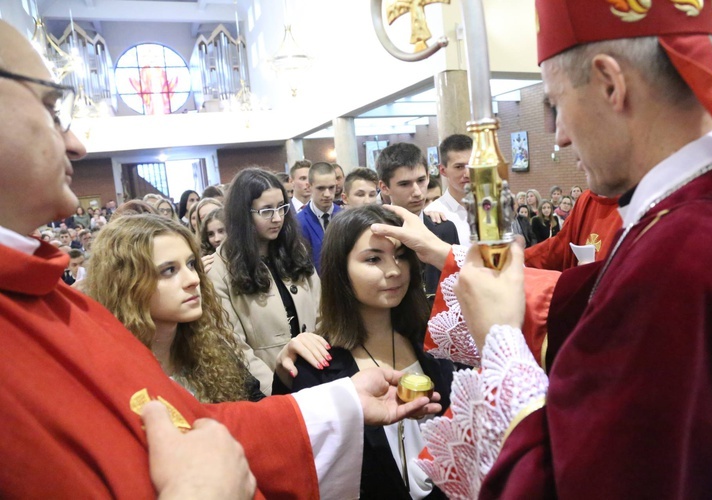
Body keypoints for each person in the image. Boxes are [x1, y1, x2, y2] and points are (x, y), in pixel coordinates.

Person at [0, 20, 441, 499]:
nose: (76, 144)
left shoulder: (53, 300)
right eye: (50, 107)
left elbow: (197, 424)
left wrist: (340, 403)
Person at [390, 1, 712, 497]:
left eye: (556, 104)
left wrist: (501, 338)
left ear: (610, 83)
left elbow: (583, 482)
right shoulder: (710, 211)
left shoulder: (684, 254)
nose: (557, 137)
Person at [292, 205, 453, 499]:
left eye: (401, 256)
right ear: (340, 269)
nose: (393, 271)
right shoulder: (319, 365)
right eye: (373, 259)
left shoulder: (431, 337)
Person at [86, 214, 265, 403]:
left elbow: (256, 413)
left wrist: (284, 372)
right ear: (128, 285)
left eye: (191, 264)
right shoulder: (107, 378)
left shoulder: (212, 350)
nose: (193, 279)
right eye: (169, 270)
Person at [208, 167, 320, 395]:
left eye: (281, 207)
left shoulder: (294, 250)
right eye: (266, 210)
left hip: (316, 378)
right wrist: (276, 390)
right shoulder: (220, 268)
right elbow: (234, 345)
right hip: (267, 389)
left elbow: (322, 311)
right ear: (243, 214)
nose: (277, 218)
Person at [376, 143, 459, 300]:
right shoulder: (376, 232)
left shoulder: (444, 228)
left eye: (421, 180)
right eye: (405, 184)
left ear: (428, 176)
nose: (416, 192)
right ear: (385, 187)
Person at [525, 189, 621, 271]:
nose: (580, 167)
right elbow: (561, 244)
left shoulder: (634, 207)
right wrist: (522, 258)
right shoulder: (585, 199)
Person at [424, 134, 472, 246]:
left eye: (471, 165)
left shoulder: (490, 206)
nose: (468, 174)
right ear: (443, 170)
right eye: (459, 167)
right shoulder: (434, 215)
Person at [297, 161, 343, 273]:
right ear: (309, 186)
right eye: (321, 188)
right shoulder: (298, 222)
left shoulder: (345, 217)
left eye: (331, 187)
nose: (327, 194)